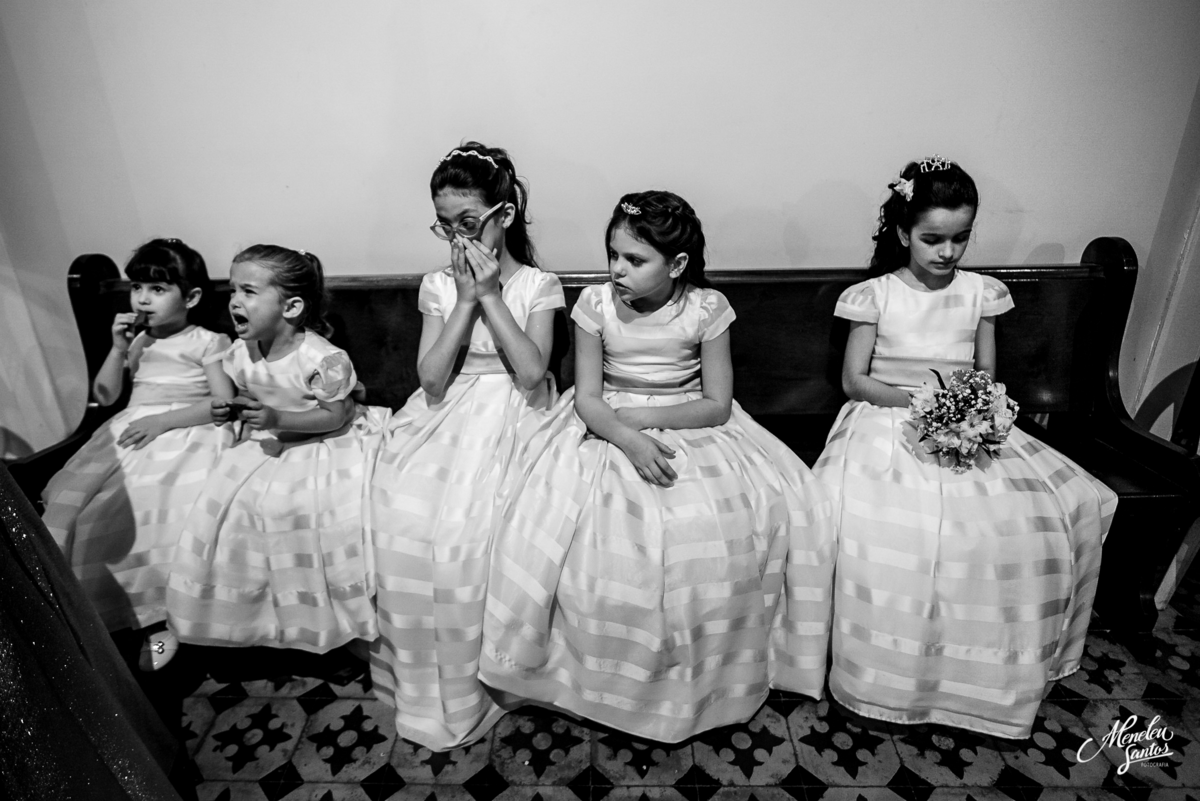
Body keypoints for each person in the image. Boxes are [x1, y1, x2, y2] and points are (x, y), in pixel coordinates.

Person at [481, 191, 835, 743]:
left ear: (676, 265)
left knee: (722, 526)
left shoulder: (706, 308)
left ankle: (702, 677)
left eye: (634, 260)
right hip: (607, 423)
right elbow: (589, 398)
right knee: (578, 535)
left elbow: (716, 403)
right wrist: (626, 436)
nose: (617, 269)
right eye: (613, 255)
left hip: (691, 421)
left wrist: (649, 420)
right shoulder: (595, 305)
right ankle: (587, 675)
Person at [813, 156, 1117, 739]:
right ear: (904, 233)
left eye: (960, 238)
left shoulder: (982, 294)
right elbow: (856, 381)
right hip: (886, 418)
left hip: (965, 417)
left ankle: (981, 674)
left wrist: (972, 410)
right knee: (892, 525)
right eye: (932, 239)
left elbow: (985, 372)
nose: (947, 252)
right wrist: (923, 406)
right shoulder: (874, 296)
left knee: (1029, 516)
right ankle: (884, 674)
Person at [369, 142, 564, 750]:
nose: (456, 237)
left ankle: (495, 678)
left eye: (469, 222)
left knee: (475, 529)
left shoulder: (539, 284)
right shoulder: (436, 284)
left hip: (516, 413)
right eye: (445, 224)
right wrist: (461, 298)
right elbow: (430, 378)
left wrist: (489, 295)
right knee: (406, 516)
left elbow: (532, 374)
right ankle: (429, 679)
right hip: (449, 412)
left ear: (503, 216)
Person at [166, 244, 385, 653]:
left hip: (323, 442)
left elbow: (336, 414)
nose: (234, 302)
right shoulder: (240, 353)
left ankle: (332, 623)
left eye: (248, 291)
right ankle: (258, 620)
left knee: (306, 514)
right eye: (232, 291)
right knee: (229, 511)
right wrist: (233, 409)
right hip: (271, 442)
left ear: (291, 306)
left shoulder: (322, 357)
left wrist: (277, 420)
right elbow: (252, 394)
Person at [42, 238, 234, 670]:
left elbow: (223, 403)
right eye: (137, 288)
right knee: (88, 510)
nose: (143, 298)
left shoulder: (207, 340)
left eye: (158, 289)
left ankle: (162, 617)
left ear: (193, 297)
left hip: (185, 429)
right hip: (128, 430)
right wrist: (116, 348)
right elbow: (106, 396)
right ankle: (100, 619)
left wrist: (163, 422)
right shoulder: (139, 341)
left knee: (155, 506)